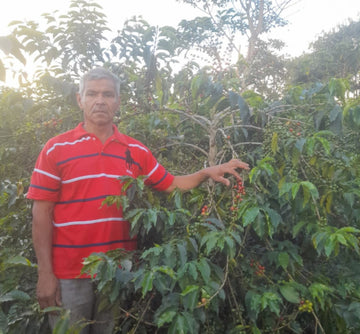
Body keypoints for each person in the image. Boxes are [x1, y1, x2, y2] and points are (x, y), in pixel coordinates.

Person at [27, 67, 250, 333]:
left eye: (108, 94)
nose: (100, 100)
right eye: (92, 94)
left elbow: (170, 184)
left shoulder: (136, 151)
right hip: (69, 273)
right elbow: (41, 215)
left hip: (117, 273)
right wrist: (45, 273)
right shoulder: (56, 149)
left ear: (118, 101)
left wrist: (205, 173)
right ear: (80, 99)